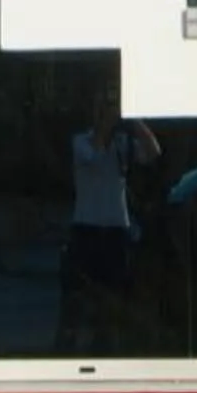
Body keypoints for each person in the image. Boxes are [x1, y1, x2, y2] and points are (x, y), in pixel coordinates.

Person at [58, 96, 159, 353]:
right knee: (79, 294)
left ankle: (107, 345)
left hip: (116, 229)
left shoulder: (123, 144)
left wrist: (135, 122)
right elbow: (93, 156)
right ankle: (68, 345)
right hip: (87, 227)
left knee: (114, 294)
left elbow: (153, 152)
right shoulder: (81, 141)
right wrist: (105, 126)